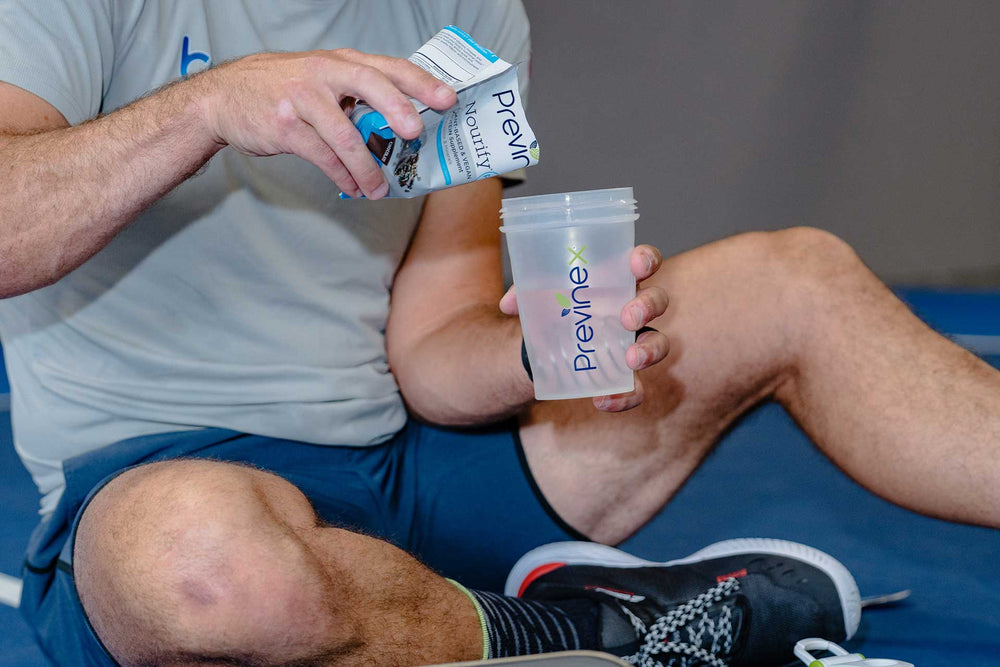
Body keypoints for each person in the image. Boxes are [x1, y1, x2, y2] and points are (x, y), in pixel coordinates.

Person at [1, 1, 997, 665]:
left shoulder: (464, 11)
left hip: (407, 467)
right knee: (207, 572)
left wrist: (545, 349)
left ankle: (420, 620)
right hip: (154, 478)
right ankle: (587, 627)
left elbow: (433, 346)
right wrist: (208, 105)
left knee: (792, 279)